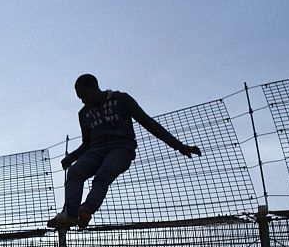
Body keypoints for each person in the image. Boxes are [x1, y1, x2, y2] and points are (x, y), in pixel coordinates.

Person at [49, 74, 201, 230]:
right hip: (95, 150)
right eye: (79, 97)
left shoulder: (121, 100)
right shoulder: (83, 114)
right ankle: (71, 214)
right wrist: (72, 157)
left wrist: (179, 146)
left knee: (102, 176)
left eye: (84, 95)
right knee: (75, 172)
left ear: (94, 88)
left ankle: (87, 209)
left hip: (121, 148)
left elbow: (148, 123)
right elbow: (87, 143)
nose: (82, 101)